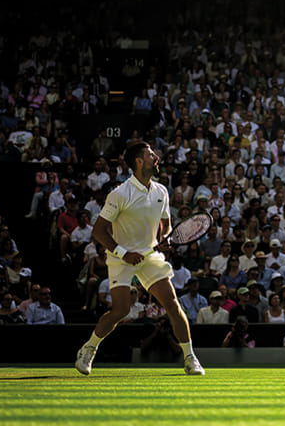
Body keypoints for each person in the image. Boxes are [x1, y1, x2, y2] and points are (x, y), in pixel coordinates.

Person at [75, 142, 203, 376]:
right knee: (121, 310)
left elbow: (166, 225)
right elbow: (99, 231)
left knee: (173, 304)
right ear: (138, 161)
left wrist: (164, 237)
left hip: (150, 254)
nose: (156, 157)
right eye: (150, 154)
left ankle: (190, 357)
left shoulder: (162, 191)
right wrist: (125, 253)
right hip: (120, 257)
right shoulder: (120, 193)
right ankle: (88, 349)